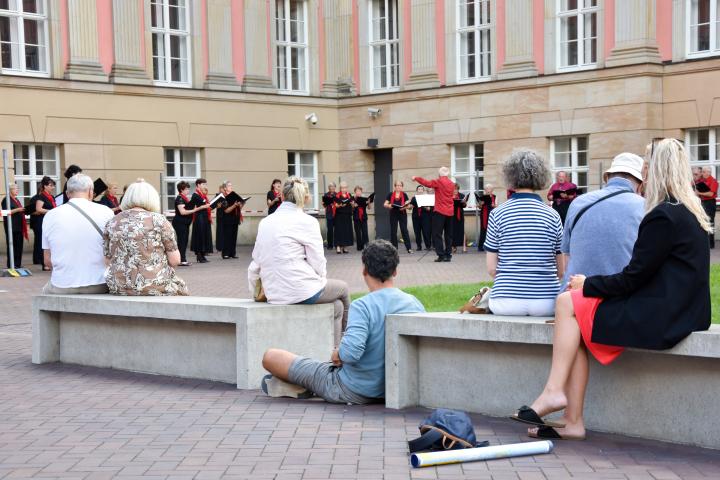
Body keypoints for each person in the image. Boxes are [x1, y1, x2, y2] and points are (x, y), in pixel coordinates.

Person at [512, 138, 712, 442]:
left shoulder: (661, 215)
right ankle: (569, 416)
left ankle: (558, 398)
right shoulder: (689, 211)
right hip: (685, 311)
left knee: (568, 302)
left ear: (653, 171)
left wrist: (587, 283)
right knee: (573, 313)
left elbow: (633, 277)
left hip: (663, 317)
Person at [260, 239, 425, 403]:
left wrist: (338, 353)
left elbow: (351, 353)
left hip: (350, 388)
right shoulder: (413, 303)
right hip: (393, 389)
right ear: (395, 271)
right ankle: (303, 386)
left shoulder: (363, 306)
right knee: (319, 368)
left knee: (271, 356)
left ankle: (302, 385)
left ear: (364, 270)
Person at [248, 177, 350, 346]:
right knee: (343, 289)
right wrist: (321, 280)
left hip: (274, 291)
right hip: (299, 289)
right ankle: (346, 345)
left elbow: (256, 261)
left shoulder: (265, 222)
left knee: (338, 307)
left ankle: (335, 349)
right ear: (305, 198)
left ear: (282, 197)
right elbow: (318, 261)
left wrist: (253, 289)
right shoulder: (307, 221)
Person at [484, 149, 564, 317]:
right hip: (547, 301)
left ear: (510, 176)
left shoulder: (497, 214)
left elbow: (491, 269)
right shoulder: (553, 215)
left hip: (505, 301)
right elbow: (561, 270)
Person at [561, 153, 646, 290]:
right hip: (620, 297)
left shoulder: (578, 202)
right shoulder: (645, 207)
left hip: (574, 297)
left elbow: (566, 255)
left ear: (607, 178)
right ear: (640, 185)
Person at [104, 180, 188, 296]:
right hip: (153, 284)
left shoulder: (113, 221)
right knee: (181, 289)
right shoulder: (159, 221)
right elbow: (175, 260)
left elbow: (107, 260)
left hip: (119, 286)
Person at [41, 174, 114, 294]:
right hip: (99, 283)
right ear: (91, 192)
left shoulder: (50, 215)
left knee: (45, 292)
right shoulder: (106, 212)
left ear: (67, 193)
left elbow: (47, 261)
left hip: (62, 284)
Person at [413, 167, 455, 262]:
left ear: (440, 174)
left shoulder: (438, 182)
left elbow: (426, 183)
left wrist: (416, 178)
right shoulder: (452, 184)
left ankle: (441, 255)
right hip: (450, 212)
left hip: (440, 211)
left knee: (437, 234)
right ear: (447, 174)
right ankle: (448, 255)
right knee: (448, 234)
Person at [172, 181, 208, 266]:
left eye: (188, 188)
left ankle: (182, 259)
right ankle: (181, 260)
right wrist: (197, 209)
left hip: (185, 223)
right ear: (181, 190)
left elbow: (188, 208)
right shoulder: (179, 198)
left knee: (184, 241)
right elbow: (183, 212)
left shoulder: (185, 198)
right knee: (182, 241)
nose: (188, 190)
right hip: (180, 222)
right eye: (186, 189)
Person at [30, 176, 56, 270]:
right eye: (51, 185)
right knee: (43, 242)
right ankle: (44, 264)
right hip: (41, 221)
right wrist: (51, 211)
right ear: (45, 186)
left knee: (49, 242)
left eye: (53, 186)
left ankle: (49, 262)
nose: (53, 187)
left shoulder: (51, 197)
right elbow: (38, 209)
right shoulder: (41, 196)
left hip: (49, 221)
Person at [2, 183, 27, 269]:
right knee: (12, 246)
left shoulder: (17, 200)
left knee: (19, 246)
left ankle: (18, 264)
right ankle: (11, 264)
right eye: (15, 189)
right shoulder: (6, 200)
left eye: (17, 189)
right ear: (10, 190)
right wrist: (18, 209)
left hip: (19, 226)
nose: (17, 190)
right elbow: (4, 212)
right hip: (11, 227)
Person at [384, 181, 413, 254]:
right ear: (395, 186)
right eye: (397, 185)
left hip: (402, 214)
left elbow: (409, 206)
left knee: (404, 230)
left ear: (402, 187)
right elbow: (385, 204)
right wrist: (389, 205)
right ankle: (394, 249)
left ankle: (409, 248)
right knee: (393, 231)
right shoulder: (390, 194)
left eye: (400, 185)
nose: (398, 187)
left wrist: (407, 207)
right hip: (393, 214)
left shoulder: (404, 194)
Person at [218, 180, 244, 259]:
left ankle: (232, 253)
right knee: (227, 237)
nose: (231, 187)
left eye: (231, 185)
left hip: (235, 218)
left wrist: (240, 204)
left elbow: (239, 207)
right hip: (227, 219)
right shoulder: (223, 197)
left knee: (233, 236)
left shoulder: (234, 195)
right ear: (225, 188)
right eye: (229, 186)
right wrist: (234, 205)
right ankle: (225, 253)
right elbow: (226, 210)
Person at [190, 178, 213, 263]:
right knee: (200, 236)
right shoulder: (195, 195)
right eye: (203, 184)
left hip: (205, 217)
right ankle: (199, 255)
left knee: (205, 235)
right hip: (199, 217)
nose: (204, 186)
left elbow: (207, 205)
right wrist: (206, 205)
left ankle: (203, 255)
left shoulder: (203, 195)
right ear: (198, 185)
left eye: (205, 184)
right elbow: (200, 206)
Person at [696, 166, 717, 248]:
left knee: (710, 222)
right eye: (703, 172)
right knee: (702, 221)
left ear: (709, 172)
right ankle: (704, 242)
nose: (703, 173)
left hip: (710, 203)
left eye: (705, 172)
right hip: (702, 202)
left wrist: (699, 193)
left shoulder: (713, 181)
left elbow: (711, 194)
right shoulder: (701, 181)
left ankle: (711, 244)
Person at [333, 182, 354, 254]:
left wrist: (352, 204)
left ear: (347, 188)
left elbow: (353, 206)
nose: (343, 189)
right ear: (340, 188)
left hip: (347, 215)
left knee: (346, 231)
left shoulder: (349, 195)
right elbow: (335, 205)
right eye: (342, 188)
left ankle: (345, 247)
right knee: (339, 231)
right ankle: (338, 247)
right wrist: (340, 205)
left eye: (345, 187)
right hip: (339, 215)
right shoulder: (337, 195)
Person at [410, 185, 431, 251]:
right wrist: (408, 205)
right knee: (417, 232)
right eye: (419, 189)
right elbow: (411, 207)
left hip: (425, 217)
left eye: (422, 189)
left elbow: (429, 209)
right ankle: (419, 246)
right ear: (417, 191)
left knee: (426, 232)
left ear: (423, 191)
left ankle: (428, 246)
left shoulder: (426, 198)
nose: (420, 190)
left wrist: (423, 206)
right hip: (416, 217)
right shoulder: (414, 198)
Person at [477, 184, 497, 251]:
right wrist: (480, 204)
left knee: (492, 230)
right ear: (485, 190)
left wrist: (493, 205)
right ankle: (481, 246)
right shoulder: (482, 197)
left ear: (492, 190)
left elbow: (496, 206)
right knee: (483, 229)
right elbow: (479, 207)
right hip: (484, 214)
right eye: (487, 189)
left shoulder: (495, 196)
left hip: (492, 214)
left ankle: (491, 246)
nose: (488, 190)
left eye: (489, 189)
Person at [352, 186, 371, 251]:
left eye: (359, 191)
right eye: (357, 191)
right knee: (358, 232)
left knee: (365, 231)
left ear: (361, 192)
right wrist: (353, 206)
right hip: (356, 217)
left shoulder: (364, 198)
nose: (358, 192)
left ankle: (366, 244)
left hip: (363, 217)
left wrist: (369, 202)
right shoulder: (353, 199)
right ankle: (359, 247)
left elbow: (369, 208)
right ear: (355, 192)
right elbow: (351, 209)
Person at [451, 184, 467, 254]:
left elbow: (464, 206)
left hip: (459, 214)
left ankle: (464, 247)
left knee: (461, 230)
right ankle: (453, 246)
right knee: (452, 231)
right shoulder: (449, 195)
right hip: (451, 215)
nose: (455, 190)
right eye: (454, 189)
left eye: (456, 189)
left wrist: (464, 203)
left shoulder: (462, 196)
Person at [322, 182, 337, 250]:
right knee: (330, 230)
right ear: (329, 188)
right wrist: (323, 203)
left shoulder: (337, 194)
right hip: (329, 213)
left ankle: (337, 244)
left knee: (337, 230)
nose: (332, 188)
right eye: (331, 186)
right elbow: (324, 205)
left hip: (336, 214)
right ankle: (330, 245)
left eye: (333, 186)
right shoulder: (326, 195)